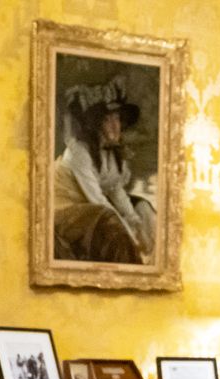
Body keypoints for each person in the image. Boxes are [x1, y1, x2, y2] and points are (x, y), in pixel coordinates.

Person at [53, 75, 155, 264]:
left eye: (117, 118)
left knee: (143, 207)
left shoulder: (111, 152)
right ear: (96, 124)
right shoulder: (79, 152)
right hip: (65, 209)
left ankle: (153, 258)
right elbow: (98, 200)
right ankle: (136, 258)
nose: (116, 126)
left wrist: (134, 220)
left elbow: (115, 190)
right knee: (108, 218)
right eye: (108, 120)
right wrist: (131, 237)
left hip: (91, 204)